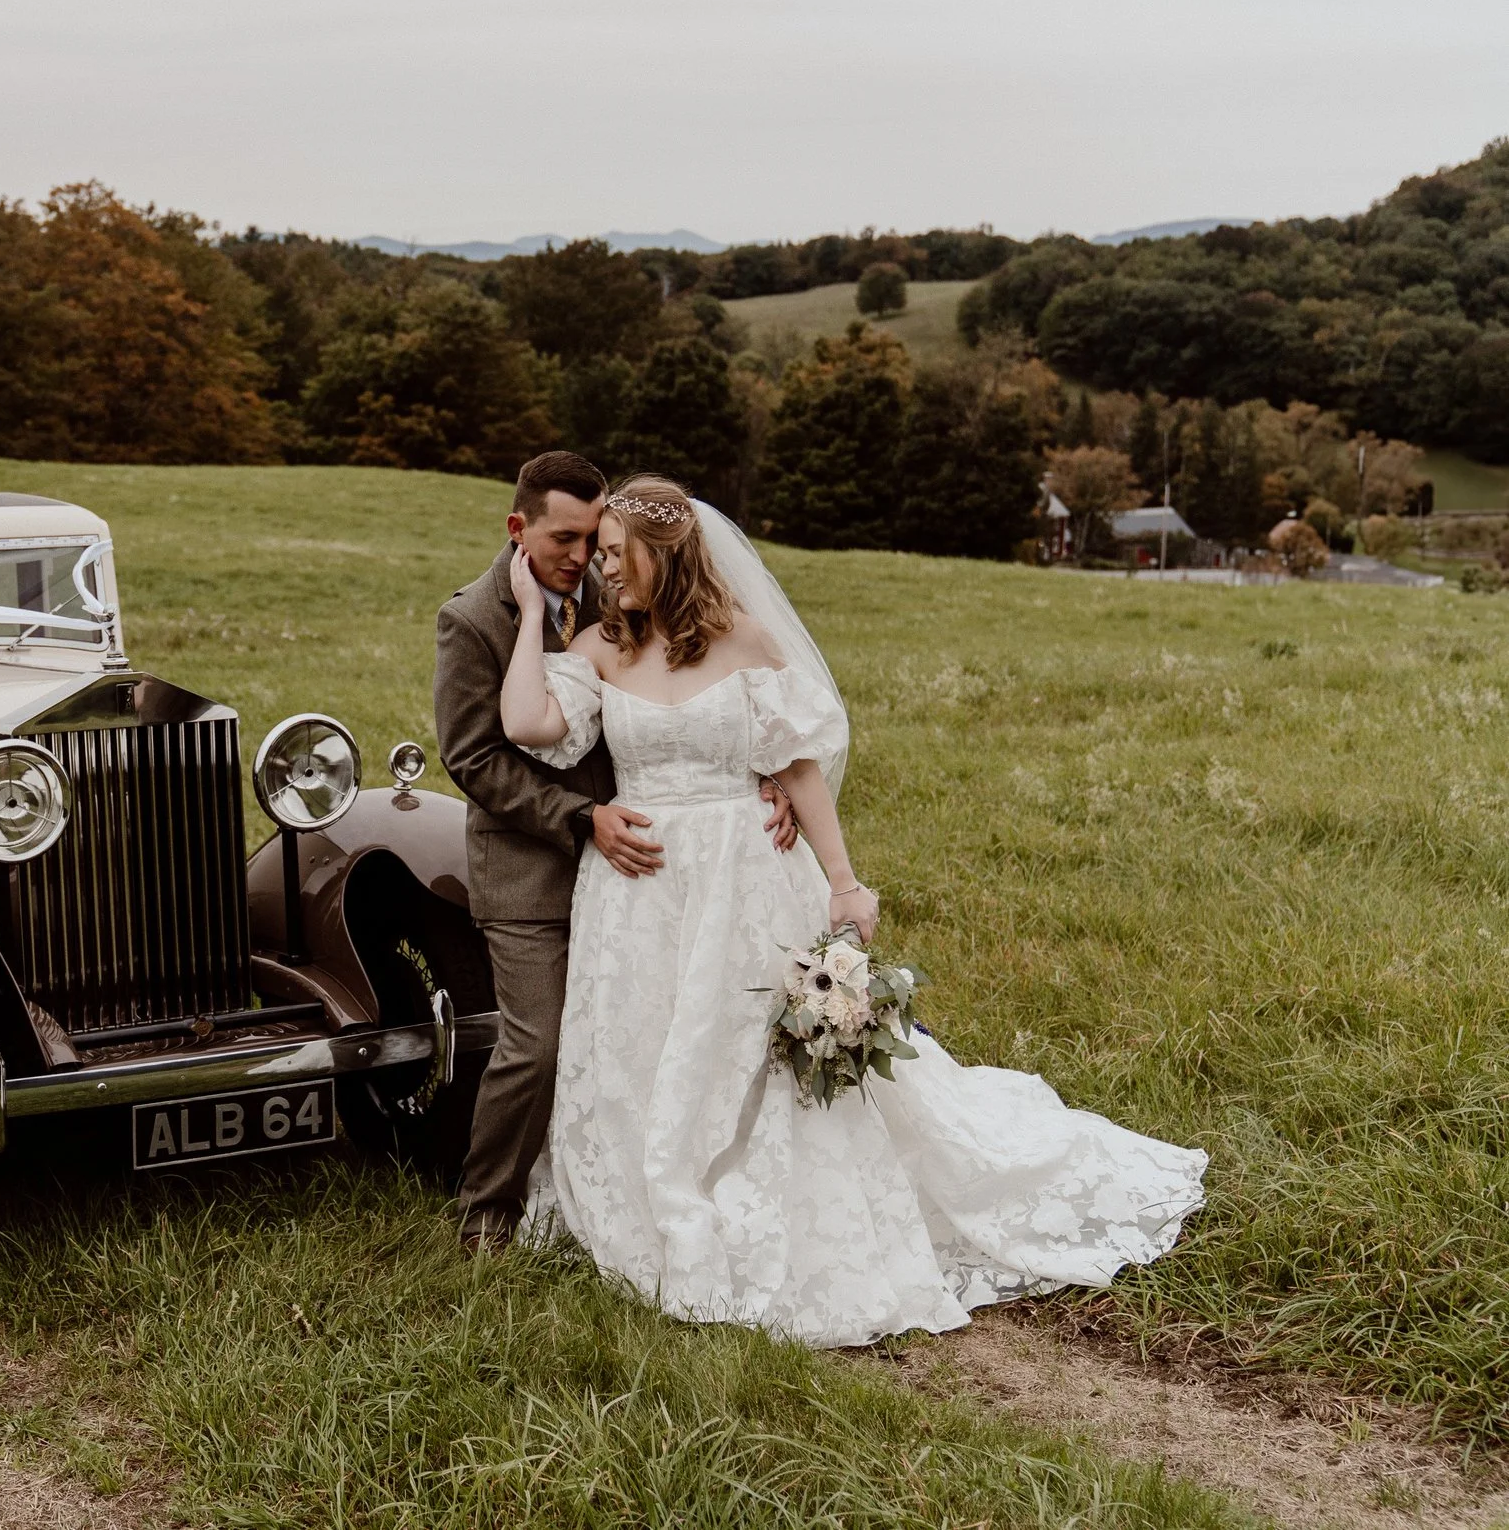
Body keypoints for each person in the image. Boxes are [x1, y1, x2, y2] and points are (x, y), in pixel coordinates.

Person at [496, 472, 1208, 1346]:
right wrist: (533, 613)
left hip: (747, 874)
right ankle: (657, 1190)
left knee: (750, 1042)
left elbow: (794, 766)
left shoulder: (744, 640)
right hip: (640, 888)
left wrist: (843, 881)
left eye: (615, 555)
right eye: (597, 556)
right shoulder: (603, 647)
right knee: (646, 1040)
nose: (603, 571)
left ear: (665, 554)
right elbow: (528, 721)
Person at [434, 452, 797, 1256]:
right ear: (517, 527)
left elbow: (695, 687)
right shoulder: (472, 618)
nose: (581, 554)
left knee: (649, 1033)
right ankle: (485, 1211)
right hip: (533, 863)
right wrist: (582, 817)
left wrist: (760, 773)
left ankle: (644, 1177)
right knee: (540, 1044)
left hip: (644, 870)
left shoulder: (622, 589)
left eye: (594, 537)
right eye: (565, 538)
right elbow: (474, 759)